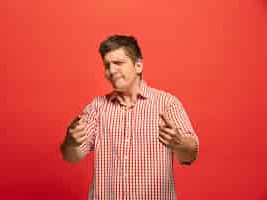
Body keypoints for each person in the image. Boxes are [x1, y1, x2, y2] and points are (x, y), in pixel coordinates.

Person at [60, 35, 199, 200]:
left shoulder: (166, 103)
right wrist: (70, 142)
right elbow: (72, 157)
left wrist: (180, 143)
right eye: (107, 65)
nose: (111, 70)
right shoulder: (97, 107)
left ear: (138, 65)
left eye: (118, 63)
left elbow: (190, 155)